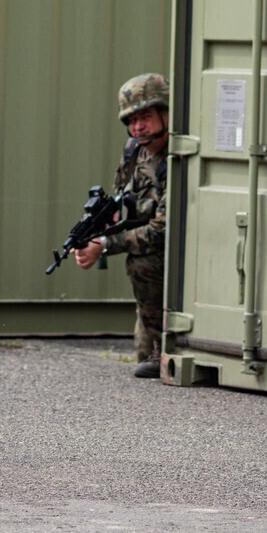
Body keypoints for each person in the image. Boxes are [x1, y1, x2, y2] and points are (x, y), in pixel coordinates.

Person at [73, 73, 168, 379]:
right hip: (153, 238)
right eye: (132, 120)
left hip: (185, 248)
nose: (138, 127)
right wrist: (96, 230)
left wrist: (105, 246)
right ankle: (151, 348)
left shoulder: (180, 157)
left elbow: (162, 230)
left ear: (167, 114)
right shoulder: (134, 151)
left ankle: (162, 349)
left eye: (146, 117)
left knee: (144, 262)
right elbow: (122, 198)